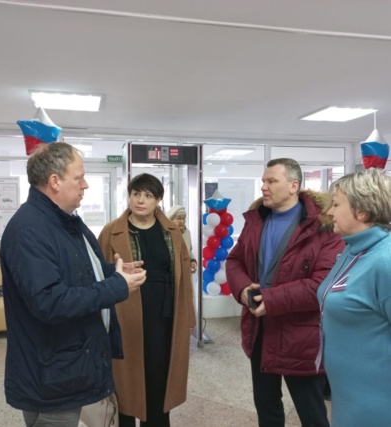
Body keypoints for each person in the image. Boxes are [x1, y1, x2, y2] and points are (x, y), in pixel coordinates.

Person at [0, 142, 146, 427]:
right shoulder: (29, 230)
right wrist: (116, 287)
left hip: (70, 365)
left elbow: (77, 273)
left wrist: (111, 273)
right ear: (55, 181)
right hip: (52, 376)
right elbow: (49, 301)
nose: (85, 185)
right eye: (79, 178)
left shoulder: (66, 222)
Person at [226, 158, 345, 427]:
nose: (264, 187)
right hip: (259, 330)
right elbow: (235, 261)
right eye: (263, 181)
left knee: (311, 413)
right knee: (266, 408)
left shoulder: (323, 226)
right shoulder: (256, 220)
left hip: (300, 336)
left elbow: (322, 284)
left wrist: (270, 300)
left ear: (293, 186)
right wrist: (243, 289)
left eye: (271, 181)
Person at [98, 173, 196, 427]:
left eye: (148, 195)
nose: (140, 200)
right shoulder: (111, 231)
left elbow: (184, 278)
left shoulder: (171, 232)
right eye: (136, 194)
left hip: (164, 315)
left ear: (158, 200)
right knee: (126, 380)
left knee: (159, 376)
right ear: (129, 196)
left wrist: (189, 315)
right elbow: (97, 276)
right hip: (125, 314)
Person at [317, 168, 391, 426]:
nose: (329, 212)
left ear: (362, 212)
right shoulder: (352, 250)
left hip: (378, 401)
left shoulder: (385, 260)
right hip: (348, 393)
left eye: (336, 205)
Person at [166, 205, 198, 273]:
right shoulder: (166, 234)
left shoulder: (187, 232)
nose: (182, 221)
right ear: (170, 219)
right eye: (178, 218)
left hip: (186, 271)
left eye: (184, 218)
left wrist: (192, 260)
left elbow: (189, 250)